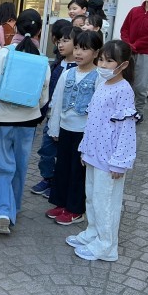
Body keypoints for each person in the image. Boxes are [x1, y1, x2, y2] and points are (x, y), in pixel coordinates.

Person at [67, 40, 139, 261]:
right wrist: (85, 149)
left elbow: (127, 129)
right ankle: (93, 233)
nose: (103, 65)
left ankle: (106, 246)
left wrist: (120, 161)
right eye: (101, 60)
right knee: (92, 198)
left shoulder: (124, 90)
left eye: (109, 61)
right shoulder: (103, 84)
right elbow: (93, 121)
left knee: (105, 202)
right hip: (94, 154)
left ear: (123, 65)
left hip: (110, 159)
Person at [0, 9, 50, 234]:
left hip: (1, 118)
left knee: (1, 164)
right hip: (28, 120)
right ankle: (14, 207)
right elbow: (44, 96)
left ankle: (2, 211)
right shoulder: (41, 59)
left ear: (15, 28)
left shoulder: (4, 54)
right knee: (20, 165)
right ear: (39, 31)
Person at [46, 30, 102, 226]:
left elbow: (99, 110)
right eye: (77, 48)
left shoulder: (99, 77)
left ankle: (76, 209)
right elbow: (57, 101)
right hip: (65, 129)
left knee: (78, 171)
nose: (78, 53)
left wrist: (93, 137)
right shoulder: (68, 73)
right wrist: (54, 128)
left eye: (84, 49)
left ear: (96, 53)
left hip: (84, 132)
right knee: (62, 167)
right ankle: (61, 202)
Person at [30, 24, 80, 198]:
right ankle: (47, 178)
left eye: (66, 41)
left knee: (63, 155)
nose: (60, 44)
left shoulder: (78, 68)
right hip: (52, 117)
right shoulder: (56, 65)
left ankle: (58, 182)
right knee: (46, 152)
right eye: (59, 41)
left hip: (68, 120)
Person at [120, 0, 148, 116]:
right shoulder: (134, 11)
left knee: (141, 86)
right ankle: (123, 110)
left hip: (147, 54)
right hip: (129, 52)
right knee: (126, 82)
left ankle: (138, 112)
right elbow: (124, 29)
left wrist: (135, 45)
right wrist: (128, 44)